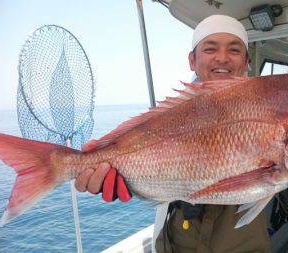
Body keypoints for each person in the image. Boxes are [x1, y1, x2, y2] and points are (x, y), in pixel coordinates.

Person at [75, 15, 272, 253]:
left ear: (247, 61)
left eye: (234, 49)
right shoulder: (172, 115)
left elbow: (283, 180)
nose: (222, 57)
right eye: (210, 49)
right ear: (192, 60)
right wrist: (119, 179)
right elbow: (154, 173)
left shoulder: (268, 110)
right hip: (174, 245)